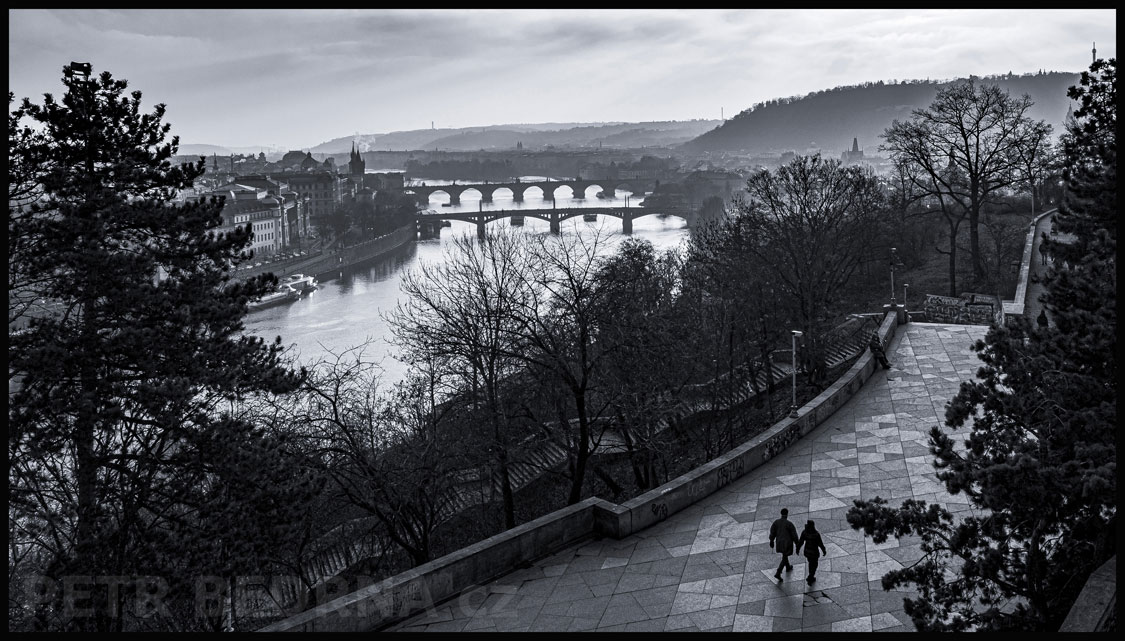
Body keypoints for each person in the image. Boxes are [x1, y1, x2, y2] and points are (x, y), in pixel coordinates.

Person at [769, 508, 799, 581]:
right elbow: (794, 535)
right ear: (787, 514)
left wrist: (771, 540)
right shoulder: (789, 524)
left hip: (779, 542)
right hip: (787, 543)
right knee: (785, 556)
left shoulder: (776, 522)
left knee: (784, 555)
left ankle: (788, 566)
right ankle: (778, 572)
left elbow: (772, 532)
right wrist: (797, 543)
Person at [795, 520, 828, 584]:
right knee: (815, 564)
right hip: (814, 552)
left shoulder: (805, 532)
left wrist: (798, 548)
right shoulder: (816, 534)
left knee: (810, 563)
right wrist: (823, 550)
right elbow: (820, 543)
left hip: (807, 552)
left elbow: (801, 541)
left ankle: (811, 576)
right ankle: (810, 576)